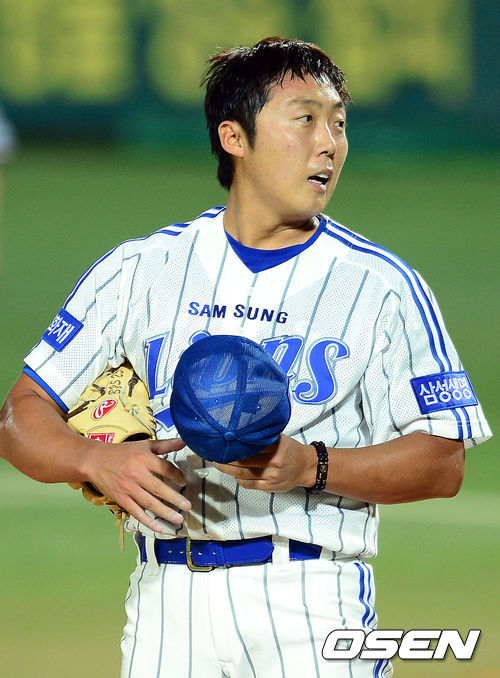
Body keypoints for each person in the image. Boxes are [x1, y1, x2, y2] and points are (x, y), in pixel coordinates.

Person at [0, 37, 491, 678]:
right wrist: (94, 459)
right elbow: (20, 417)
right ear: (234, 137)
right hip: (166, 604)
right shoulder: (141, 270)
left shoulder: (380, 286)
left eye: (339, 124)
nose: (329, 144)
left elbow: (444, 461)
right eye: (305, 119)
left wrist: (311, 466)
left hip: (311, 603)